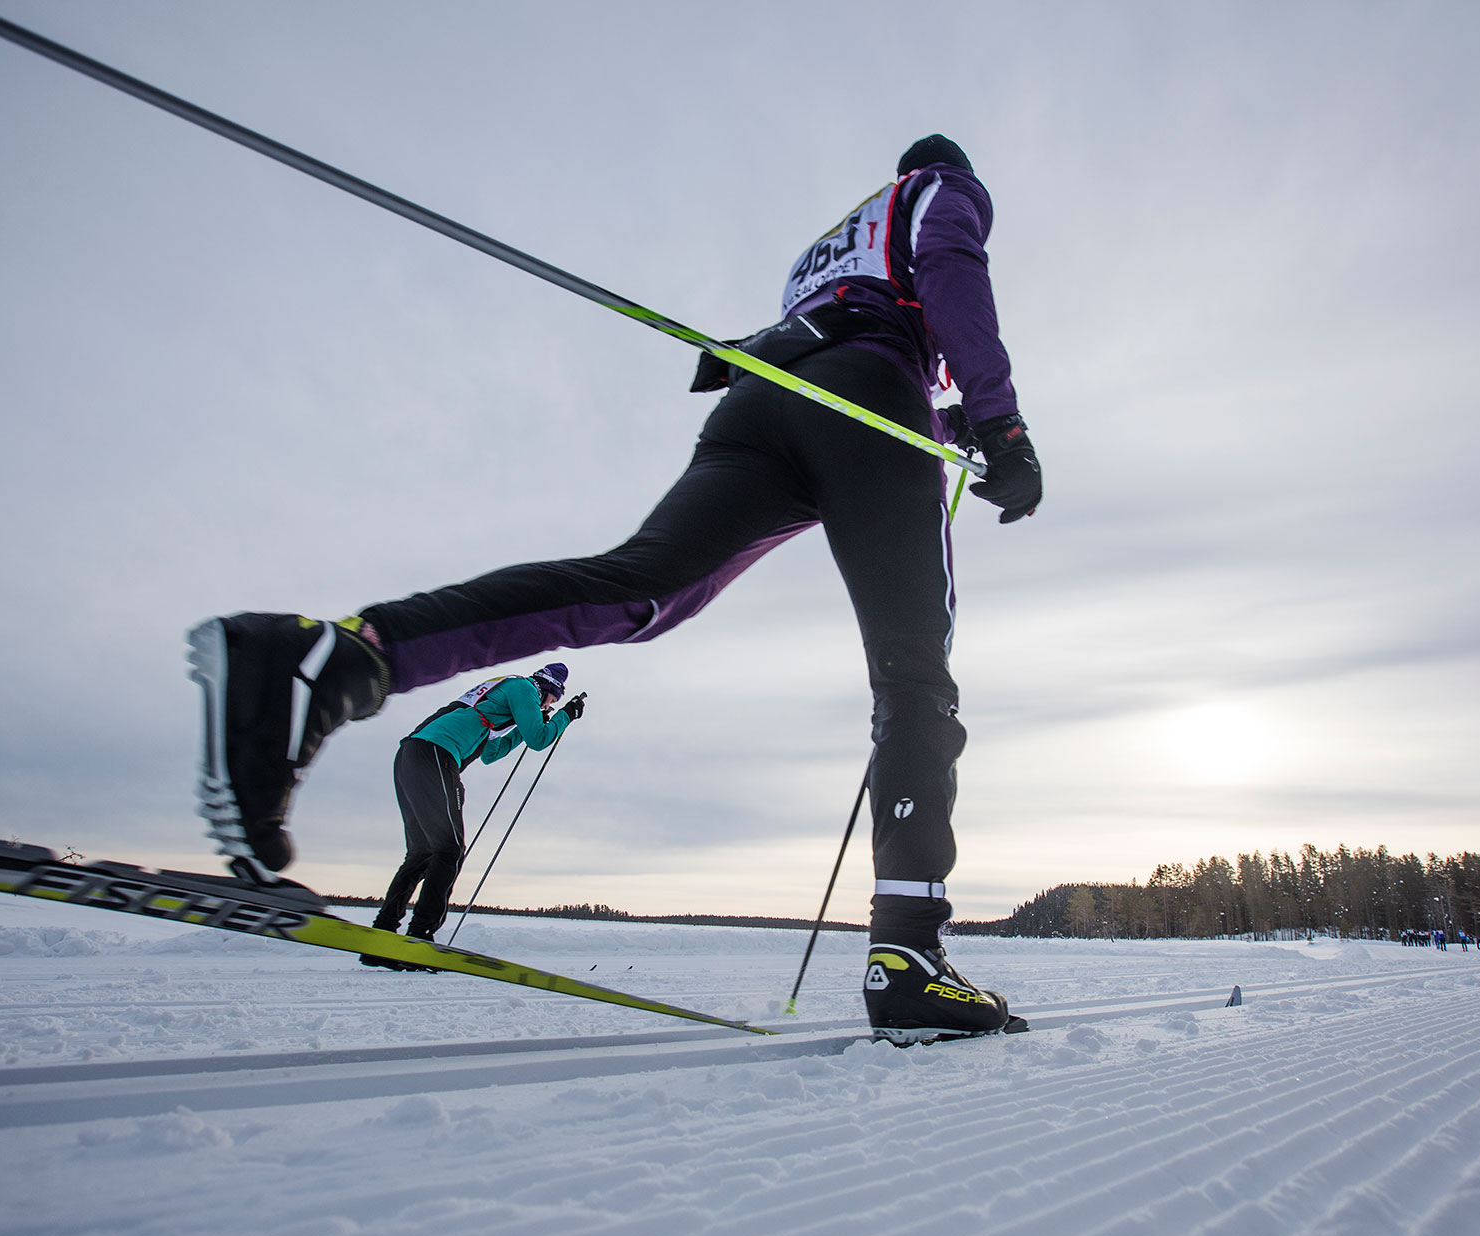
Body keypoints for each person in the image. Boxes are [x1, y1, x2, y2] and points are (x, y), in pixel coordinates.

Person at [186, 134, 1040, 1043]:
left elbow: (856, 337)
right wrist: (1002, 422)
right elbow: (947, 277)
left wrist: (951, 420)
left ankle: (334, 656)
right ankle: (908, 955)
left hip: (763, 400)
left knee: (639, 590)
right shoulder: (939, 188)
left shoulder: (828, 246)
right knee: (914, 678)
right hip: (865, 394)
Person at [360, 663, 583, 970]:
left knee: (423, 853)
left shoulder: (502, 699)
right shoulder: (524, 688)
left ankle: (381, 937)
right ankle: (421, 936)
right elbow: (539, 739)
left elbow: (492, 754)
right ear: (547, 691)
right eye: (551, 701)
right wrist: (565, 716)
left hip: (414, 755)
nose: (548, 707)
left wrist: (522, 726)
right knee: (449, 849)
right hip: (436, 753)